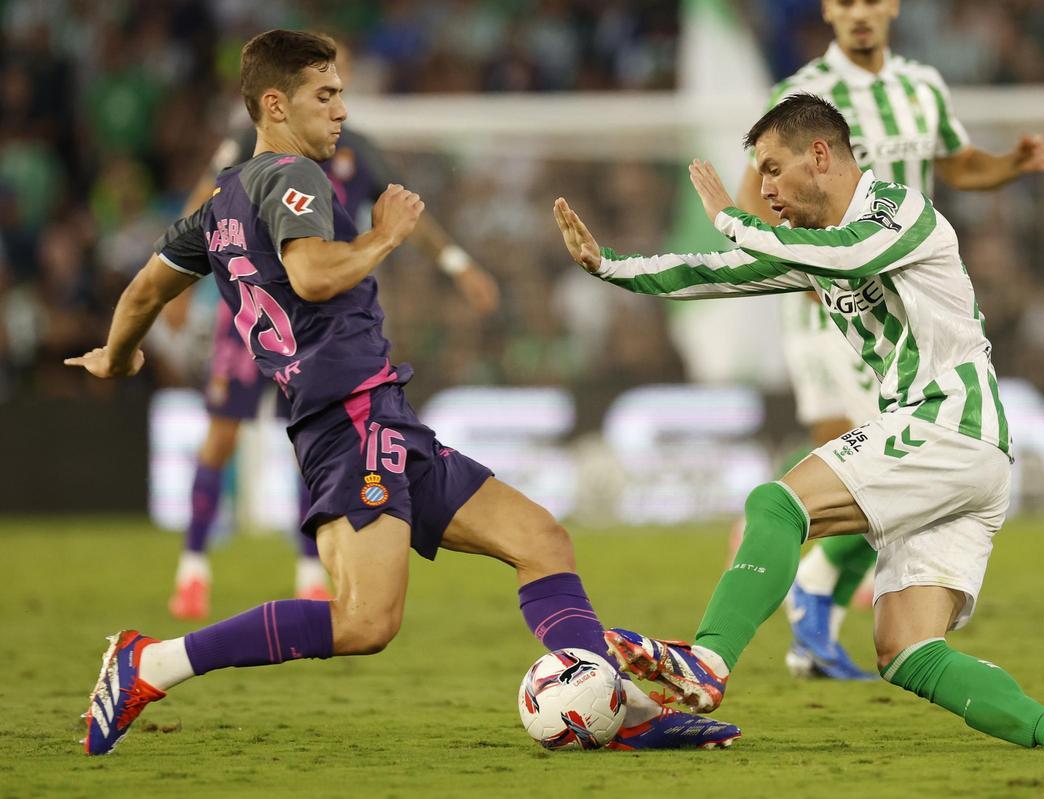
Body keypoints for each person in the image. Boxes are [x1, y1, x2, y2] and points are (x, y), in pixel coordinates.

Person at [69, 29, 739, 756]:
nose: (341, 111)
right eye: (324, 95)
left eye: (341, 95)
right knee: (363, 621)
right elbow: (315, 276)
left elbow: (143, 289)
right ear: (274, 103)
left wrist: (117, 353)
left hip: (377, 414)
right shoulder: (292, 176)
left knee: (541, 540)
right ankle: (152, 662)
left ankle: (623, 708)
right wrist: (387, 234)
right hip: (347, 419)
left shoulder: (220, 202)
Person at [553, 93, 1044, 749]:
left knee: (777, 503)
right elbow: (714, 274)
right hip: (967, 453)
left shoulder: (899, 211)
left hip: (947, 419)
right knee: (906, 649)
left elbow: (849, 255)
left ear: (820, 154)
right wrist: (608, 266)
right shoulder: (819, 246)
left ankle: (706, 660)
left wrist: (730, 219)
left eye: (771, 168)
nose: (763, 188)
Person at [728, 0, 1044, 681]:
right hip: (831, 309)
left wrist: (1011, 166)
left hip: (911, 316)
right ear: (828, 11)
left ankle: (811, 587)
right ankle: (808, 588)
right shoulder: (803, 98)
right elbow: (753, 201)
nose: (860, 14)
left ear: (893, 6)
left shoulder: (922, 86)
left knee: (888, 459)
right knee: (855, 447)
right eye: (845, 2)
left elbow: (957, 166)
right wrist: (814, 269)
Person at [164, 119, 501, 620]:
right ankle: (192, 567)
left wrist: (457, 264)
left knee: (312, 443)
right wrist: (178, 279)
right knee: (221, 436)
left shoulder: (360, 148)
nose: (333, 99)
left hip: (320, 329)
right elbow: (205, 201)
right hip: (251, 315)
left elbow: (410, 216)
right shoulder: (249, 144)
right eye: (323, 86)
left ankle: (308, 574)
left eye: (336, 83)